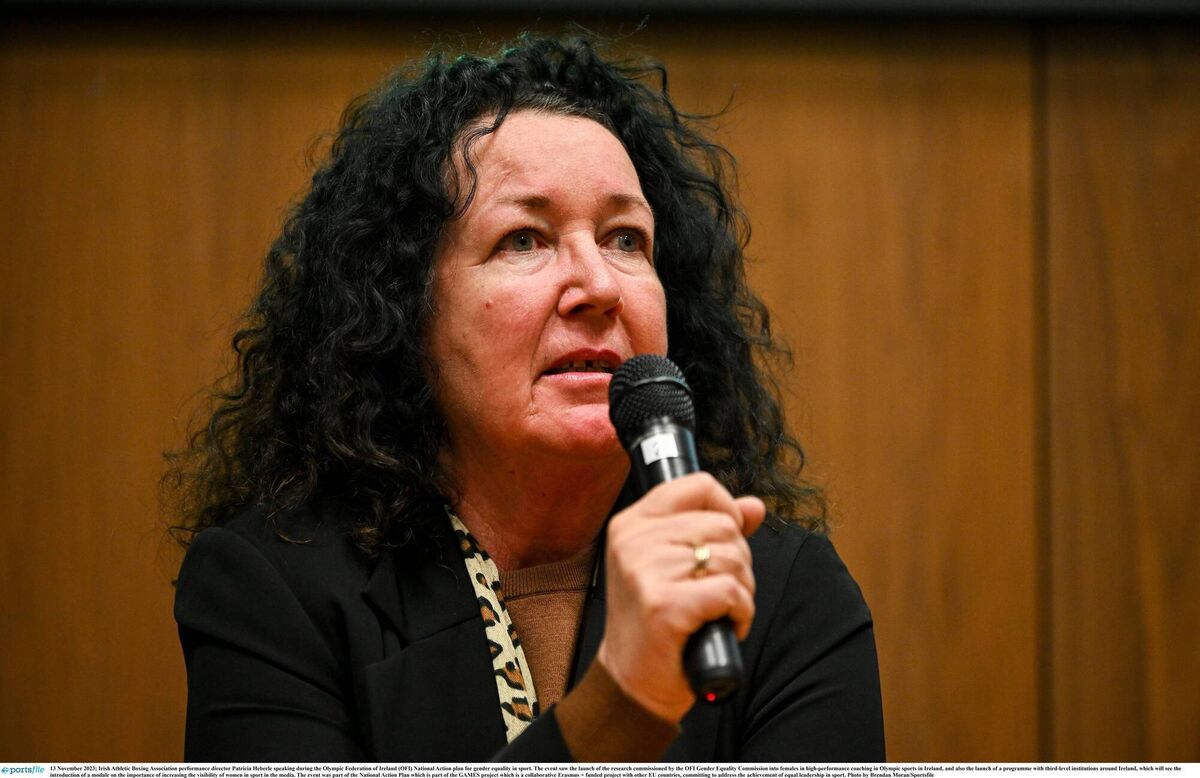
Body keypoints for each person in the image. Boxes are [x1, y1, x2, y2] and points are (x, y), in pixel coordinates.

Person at [167, 33, 885, 761]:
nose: (599, 285)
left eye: (626, 240)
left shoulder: (780, 594)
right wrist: (623, 700)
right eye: (524, 240)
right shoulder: (275, 589)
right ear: (404, 307)